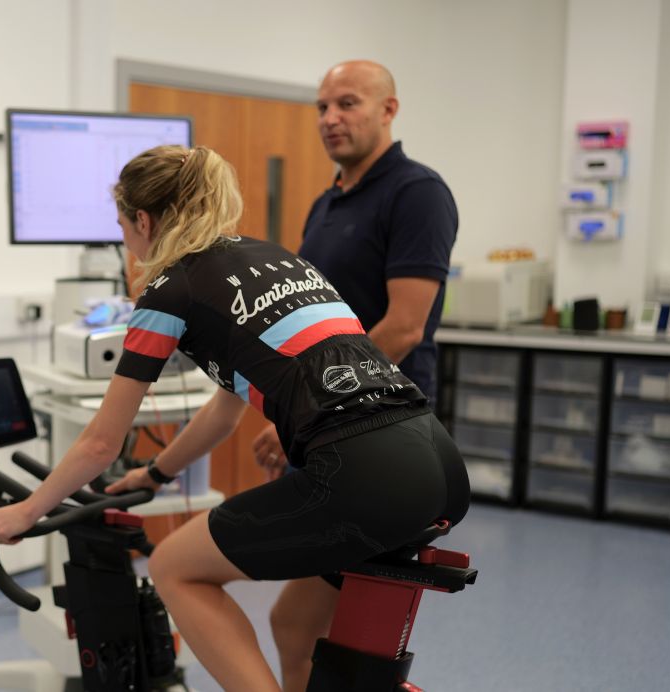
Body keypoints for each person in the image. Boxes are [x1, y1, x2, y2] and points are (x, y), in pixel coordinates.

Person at [0, 144, 469, 692]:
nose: (125, 243)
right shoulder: (274, 258)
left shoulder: (170, 289)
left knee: (173, 568)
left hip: (359, 474)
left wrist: (25, 513)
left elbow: (99, 443)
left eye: (123, 227)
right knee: (293, 628)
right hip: (436, 461)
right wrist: (155, 474)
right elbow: (223, 414)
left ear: (143, 221)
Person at [251, 60, 460, 691]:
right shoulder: (327, 202)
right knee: (305, 629)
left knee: (317, 630)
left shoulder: (417, 193)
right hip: (333, 433)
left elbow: (403, 327)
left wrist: (304, 406)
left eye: (347, 103)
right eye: (321, 107)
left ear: (388, 109)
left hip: (381, 437)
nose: (330, 119)